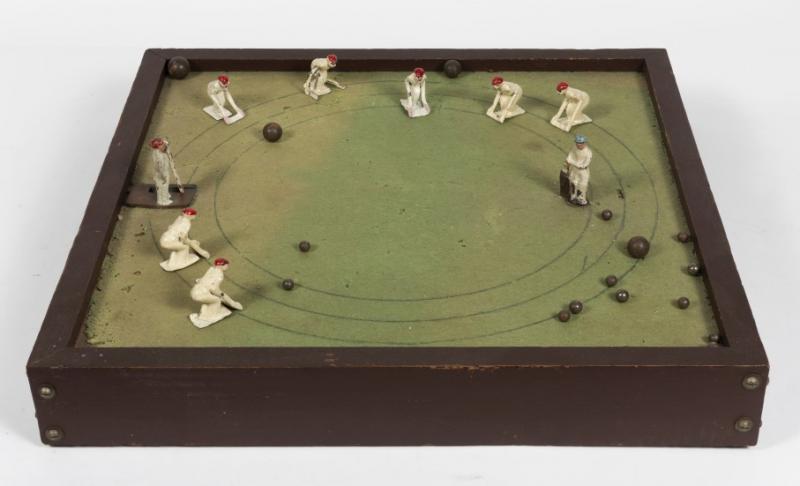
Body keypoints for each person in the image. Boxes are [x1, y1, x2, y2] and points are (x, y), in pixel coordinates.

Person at [189, 258, 243, 328]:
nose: (227, 267)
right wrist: (222, 295)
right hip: (200, 295)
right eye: (226, 265)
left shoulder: (211, 269)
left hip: (194, 291)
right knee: (217, 300)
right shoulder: (219, 275)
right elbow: (214, 289)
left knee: (210, 298)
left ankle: (205, 312)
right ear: (221, 266)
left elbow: (199, 280)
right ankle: (209, 317)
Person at [149, 137, 182, 206]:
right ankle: (164, 200)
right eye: (162, 145)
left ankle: (164, 196)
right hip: (163, 173)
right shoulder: (160, 156)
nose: (164, 146)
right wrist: (163, 175)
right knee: (164, 186)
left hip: (160, 173)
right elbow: (160, 166)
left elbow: (166, 143)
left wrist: (165, 143)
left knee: (160, 186)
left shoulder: (156, 152)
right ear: (158, 147)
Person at [563, 134, 593, 206]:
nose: (578, 145)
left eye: (580, 143)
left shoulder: (588, 152)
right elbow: (569, 157)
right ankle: (573, 196)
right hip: (574, 169)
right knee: (573, 182)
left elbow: (585, 164)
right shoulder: (574, 148)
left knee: (582, 185)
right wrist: (570, 163)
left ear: (584, 143)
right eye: (577, 143)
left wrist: (574, 163)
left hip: (583, 171)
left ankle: (581, 199)